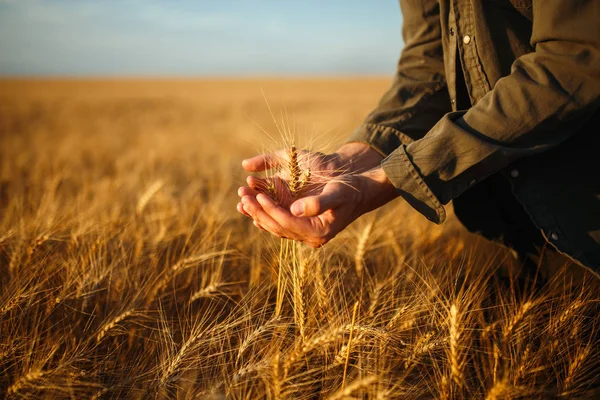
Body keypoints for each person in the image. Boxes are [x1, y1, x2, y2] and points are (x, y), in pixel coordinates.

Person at [237, 0, 600, 276]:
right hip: (491, 222)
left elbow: (574, 57)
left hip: (584, 218)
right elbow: (428, 65)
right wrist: (349, 161)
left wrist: (393, 176)